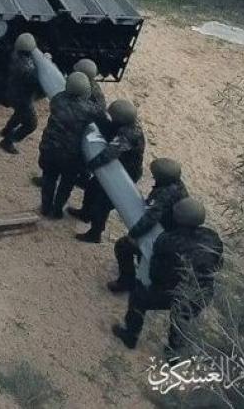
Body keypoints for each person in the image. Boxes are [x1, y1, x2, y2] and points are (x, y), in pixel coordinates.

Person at [111, 198, 223, 358]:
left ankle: (130, 336)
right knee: (182, 319)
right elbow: (218, 265)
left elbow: (156, 272)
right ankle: (174, 354)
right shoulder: (212, 237)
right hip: (202, 293)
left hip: (176, 291)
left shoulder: (167, 241)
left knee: (138, 297)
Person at [68, 100, 146, 243]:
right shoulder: (126, 124)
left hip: (124, 174)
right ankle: (85, 213)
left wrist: (90, 165)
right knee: (92, 188)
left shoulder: (128, 135)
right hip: (116, 166)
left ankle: (95, 233)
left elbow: (109, 153)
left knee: (102, 204)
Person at [107, 158, 188, 292]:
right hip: (171, 234)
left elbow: (151, 218)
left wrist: (133, 233)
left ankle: (126, 281)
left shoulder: (165, 194)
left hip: (162, 235)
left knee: (124, 246)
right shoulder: (177, 186)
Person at [37, 72, 105, 219]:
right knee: (66, 184)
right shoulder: (87, 110)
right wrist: (93, 85)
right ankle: (57, 210)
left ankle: (45, 207)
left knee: (48, 179)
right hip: (70, 155)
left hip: (49, 147)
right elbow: (101, 111)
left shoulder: (58, 99)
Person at [0, 34, 42, 154]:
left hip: (13, 93)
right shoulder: (26, 67)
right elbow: (36, 80)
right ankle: (8, 141)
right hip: (23, 98)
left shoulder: (15, 55)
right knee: (31, 124)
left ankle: (7, 130)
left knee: (19, 113)